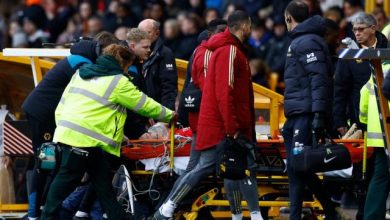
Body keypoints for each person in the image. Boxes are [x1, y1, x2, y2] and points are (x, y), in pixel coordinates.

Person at [41, 44, 174, 220]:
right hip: (84, 142)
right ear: (123, 64)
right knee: (65, 182)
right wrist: (170, 115)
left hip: (73, 136)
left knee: (104, 186)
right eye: (128, 67)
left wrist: (64, 129)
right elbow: (144, 104)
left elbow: (66, 104)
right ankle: (46, 217)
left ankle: (116, 217)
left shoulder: (80, 75)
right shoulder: (117, 81)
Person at [152, 11, 263, 220]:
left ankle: (243, 216)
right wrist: (232, 127)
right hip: (222, 125)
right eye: (250, 26)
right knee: (207, 168)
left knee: (234, 168)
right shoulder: (228, 51)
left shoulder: (223, 51)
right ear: (245, 26)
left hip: (217, 123)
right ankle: (167, 207)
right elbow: (224, 93)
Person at [22, 32, 119, 220]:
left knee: (51, 164)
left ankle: (42, 210)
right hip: (42, 114)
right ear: (99, 51)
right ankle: (34, 214)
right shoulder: (81, 63)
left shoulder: (79, 58)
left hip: (45, 114)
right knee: (44, 163)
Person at [281, 1, 341, 219]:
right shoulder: (302, 40)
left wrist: (317, 115)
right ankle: (328, 210)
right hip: (297, 114)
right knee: (297, 167)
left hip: (305, 114)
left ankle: (312, 212)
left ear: (288, 18)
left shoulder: (306, 41)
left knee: (298, 166)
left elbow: (318, 79)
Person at [333, 13, 388, 137]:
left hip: (386, 115)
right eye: (354, 29)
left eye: (361, 29)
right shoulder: (348, 55)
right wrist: (339, 120)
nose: (357, 33)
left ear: (373, 28)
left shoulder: (387, 50)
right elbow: (340, 90)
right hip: (359, 119)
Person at [359, 61, 390, 220]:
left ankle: (371, 216)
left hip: (378, 134)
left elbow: (364, 95)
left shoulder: (379, 69)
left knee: (380, 176)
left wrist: (364, 120)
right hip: (387, 131)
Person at [138, 19, 178, 111]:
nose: (143, 36)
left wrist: (165, 114)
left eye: (147, 32)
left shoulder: (165, 54)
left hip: (157, 108)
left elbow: (169, 87)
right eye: (140, 33)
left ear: (157, 33)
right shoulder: (135, 53)